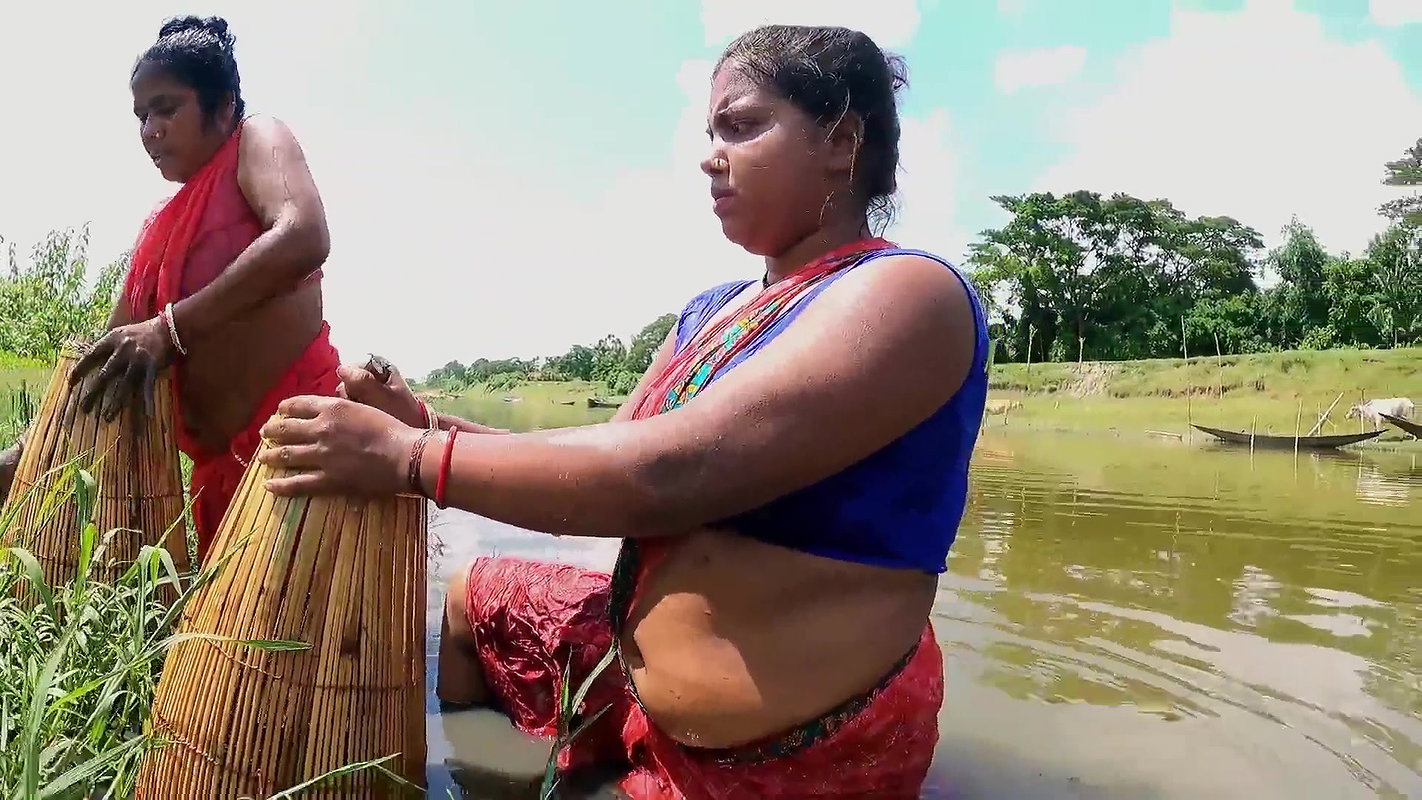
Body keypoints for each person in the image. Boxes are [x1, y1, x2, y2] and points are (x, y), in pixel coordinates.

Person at [260, 24, 987, 800]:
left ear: (841, 142)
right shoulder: (715, 310)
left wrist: (406, 459)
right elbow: (604, 455)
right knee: (472, 597)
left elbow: (667, 474)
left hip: (786, 761)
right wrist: (422, 424)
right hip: (626, 677)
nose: (710, 156)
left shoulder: (907, 295)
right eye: (711, 133)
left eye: (741, 126)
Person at [0, 15, 340, 563]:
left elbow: (303, 233)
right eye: (141, 115)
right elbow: (104, 360)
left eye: (166, 108)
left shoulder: (257, 139)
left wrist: (168, 330)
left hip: (304, 451)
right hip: (222, 485)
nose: (150, 130)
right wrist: (23, 456)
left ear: (223, 106)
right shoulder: (158, 229)